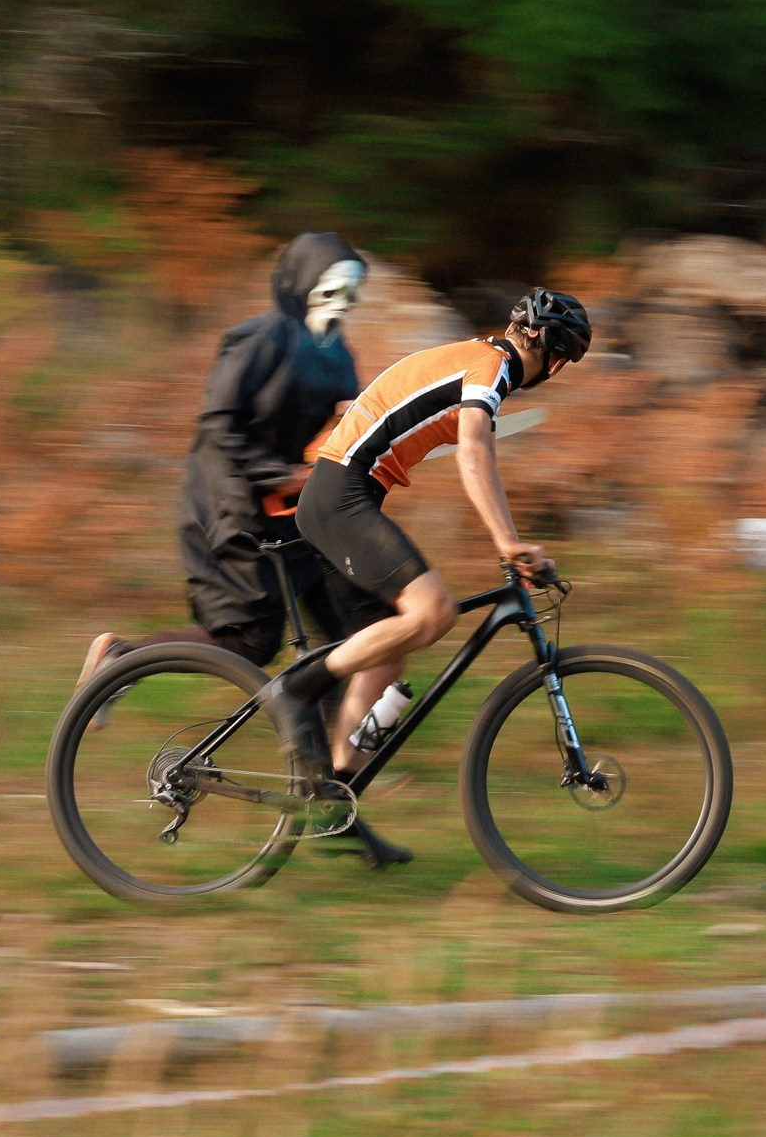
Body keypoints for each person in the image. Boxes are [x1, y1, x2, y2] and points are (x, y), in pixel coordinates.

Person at [261, 288, 592, 869]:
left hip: (349, 493)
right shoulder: (490, 368)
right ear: (544, 344)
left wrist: (507, 539)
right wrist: (508, 543)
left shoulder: (479, 362)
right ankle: (297, 689)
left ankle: (332, 802)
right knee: (432, 612)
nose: (558, 370)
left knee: (389, 652)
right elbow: (473, 454)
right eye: (562, 356)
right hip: (340, 495)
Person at [76, 232, 370, 689]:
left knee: (351, 634)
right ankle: (122, 659)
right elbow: (219, 423)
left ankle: (330, 758)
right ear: (300, 286)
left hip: (295, 512)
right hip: (233, 504)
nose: (344, 303)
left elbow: (345, 417)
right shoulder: (259, 340)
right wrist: (282, 474)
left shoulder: (337, 354)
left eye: (352, 293)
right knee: (252, 642)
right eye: (332, 290)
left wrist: (352, 425)